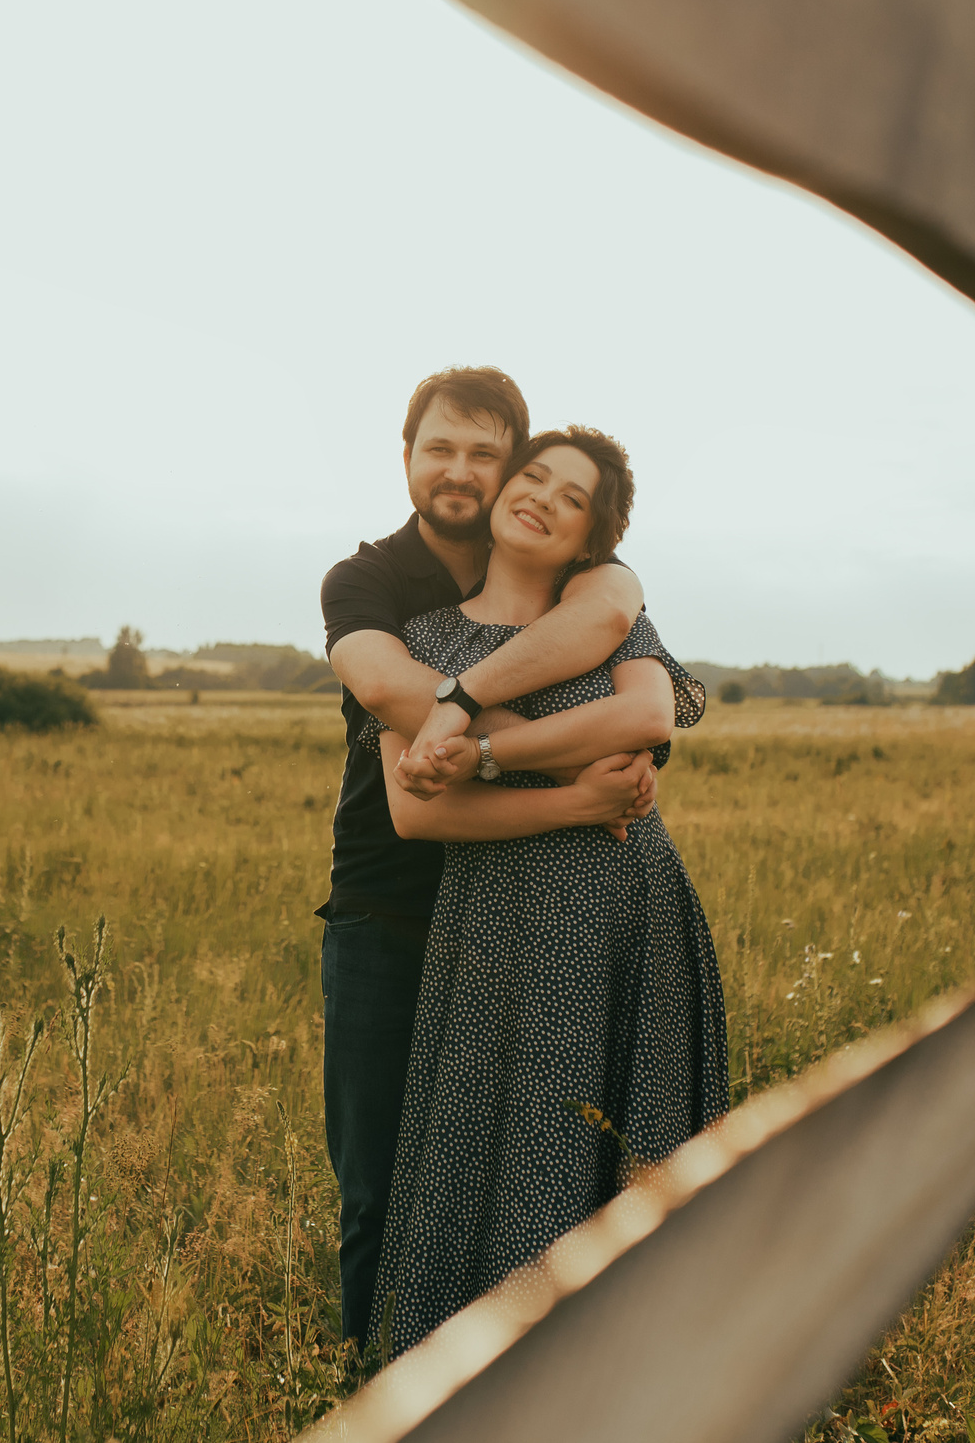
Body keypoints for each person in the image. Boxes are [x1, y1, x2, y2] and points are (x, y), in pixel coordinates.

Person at [318, 367, 668, 1358]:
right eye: (440, 447)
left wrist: (482, 734)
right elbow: (393, 693)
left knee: (549, 1177)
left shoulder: (574, 569)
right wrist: (573, 777)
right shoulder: (370, 583)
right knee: (383, 1185)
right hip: (392, 910)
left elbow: (626, 649)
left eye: (485, 452)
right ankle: (375, 1394)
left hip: (539, 914)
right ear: (406, 454)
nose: (461, 471)